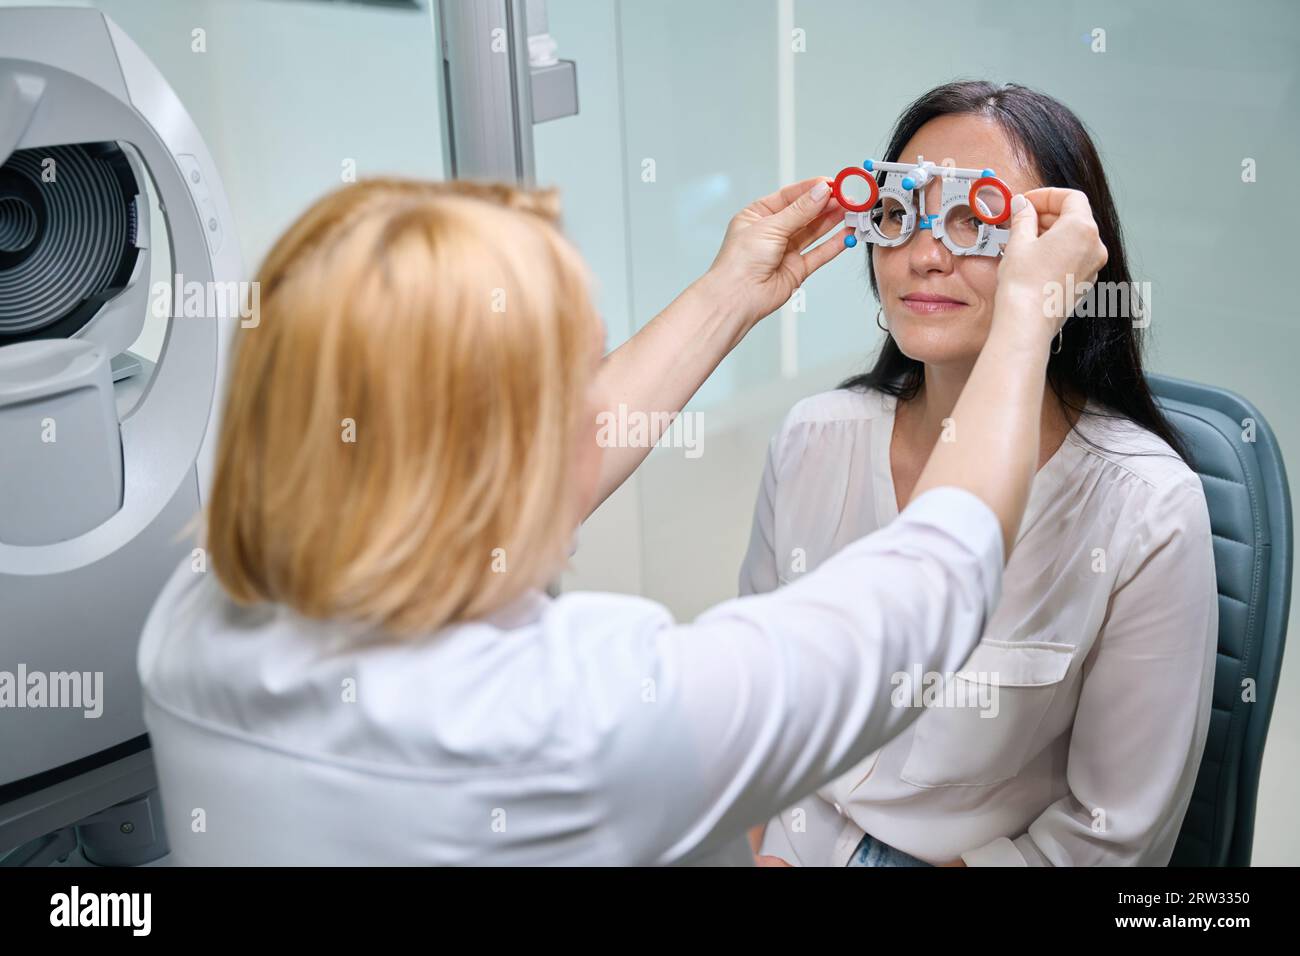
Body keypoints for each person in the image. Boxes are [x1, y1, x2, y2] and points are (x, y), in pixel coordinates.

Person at [137, 171, 1104, 864]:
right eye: (573, 393)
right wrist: (1025, 318)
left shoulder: (193, 616)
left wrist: (731, 292)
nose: (596, 418)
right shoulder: (582, 715)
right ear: (495, 458)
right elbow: (933, 582)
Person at [746, 82, 1215, 867]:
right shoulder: (812, 439)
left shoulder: (1148, 508)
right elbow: (756, 708)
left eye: (979, 219)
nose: (926, 253)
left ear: (1062, 259)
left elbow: (1110, 836)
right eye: (900, 211)